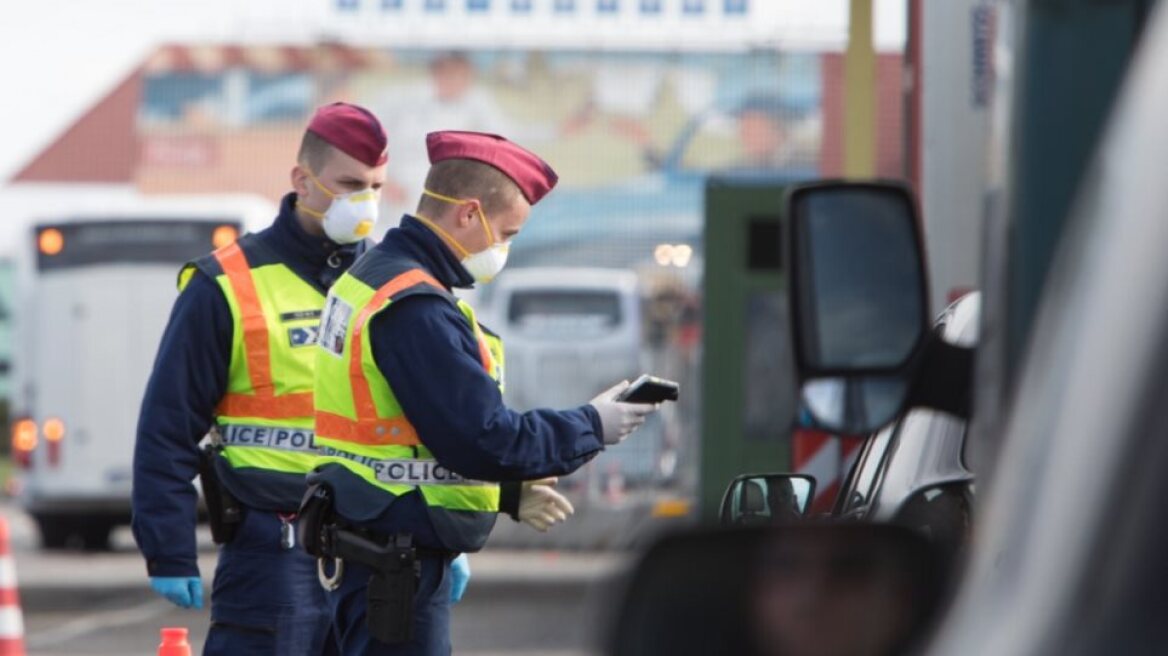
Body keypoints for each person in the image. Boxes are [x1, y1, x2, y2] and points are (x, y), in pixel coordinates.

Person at [304, 130, 658, 654]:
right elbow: (483, 437)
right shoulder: (416, 306)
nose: (503, 250)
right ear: (468, 214)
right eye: (507, 233)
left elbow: (407, 434)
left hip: (370, 545)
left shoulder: (373, 277)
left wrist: (508, 494)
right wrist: (593, 424)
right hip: (395, 564)